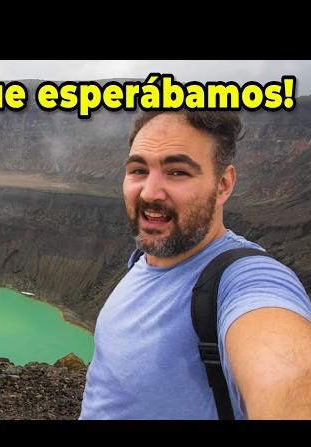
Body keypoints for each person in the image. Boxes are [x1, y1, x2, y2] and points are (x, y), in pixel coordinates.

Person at [80, 111, 311, 419]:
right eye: (138, 170)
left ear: (223, 185)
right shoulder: (143, 259)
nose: (149, 192)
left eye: (177, 172)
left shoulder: (245, 280)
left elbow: (288, 373)